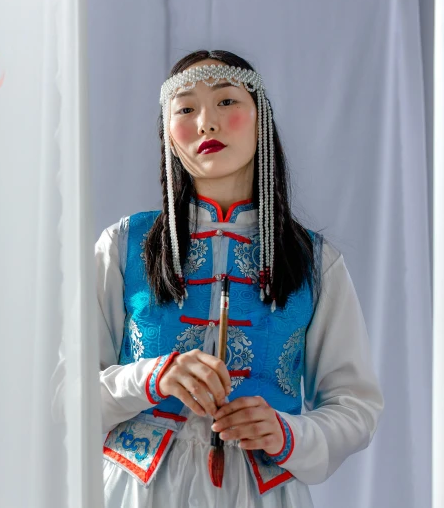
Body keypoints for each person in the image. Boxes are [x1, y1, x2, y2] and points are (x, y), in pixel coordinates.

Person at [87, 50, 384, 506]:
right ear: (168, 133)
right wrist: (150, 379)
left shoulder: (313, 262)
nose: (207, 123)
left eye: (226, 102)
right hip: (136, 490)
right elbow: (66, 393)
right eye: (185, 109)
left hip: (260, 493)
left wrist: (288, 433)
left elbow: (357, 407)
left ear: (261, 118)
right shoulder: (125, 244)